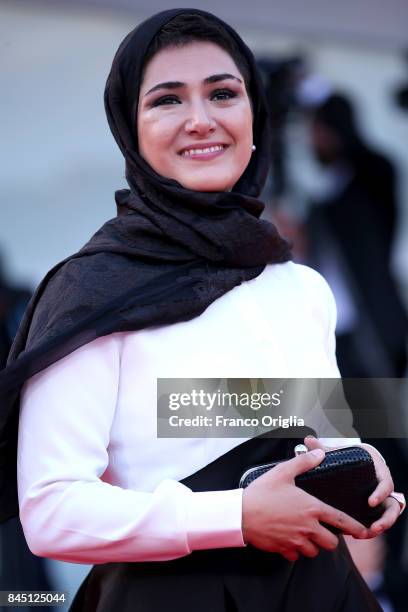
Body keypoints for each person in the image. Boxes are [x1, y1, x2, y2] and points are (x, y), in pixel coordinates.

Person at [0, 9, 404, 612]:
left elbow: (322, 435)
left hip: (321, 591)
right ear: (128, 127)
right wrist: (237, 516)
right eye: (166, 100)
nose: (201, 120)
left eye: (223, 93)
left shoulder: (299, 287)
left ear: (254, 115)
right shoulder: (91, 291)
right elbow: (52, 512)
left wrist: (361, 469)